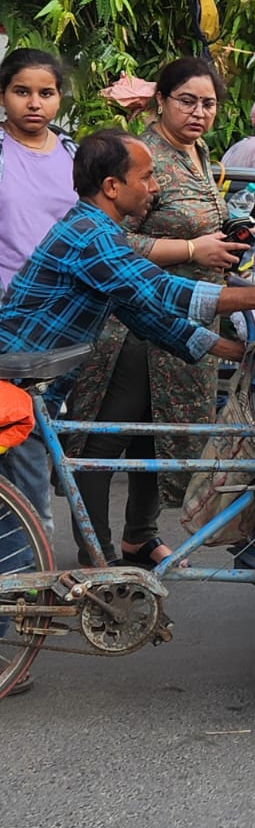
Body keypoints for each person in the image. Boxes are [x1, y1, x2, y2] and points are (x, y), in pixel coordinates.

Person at [0, 130, 255, 667]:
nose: (154, 187)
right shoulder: (91, 237)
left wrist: (230, 350)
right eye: (146, 178)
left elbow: (144, 313)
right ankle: (11, 639)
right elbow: (164, 291)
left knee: (33, 511)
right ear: (111, 186)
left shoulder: (99, 232)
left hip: (35, 382)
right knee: (26, 524)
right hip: (16, 387)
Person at [67, 58, 245, 565]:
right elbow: (112, 242)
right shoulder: (142, 158)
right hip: (136, 322)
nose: (199, 112)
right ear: (161, 100)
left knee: (158, 437)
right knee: (107, 438)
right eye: (187, 100)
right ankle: (95, 553)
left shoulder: (197, 153)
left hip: (191, 319)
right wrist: (192, 252)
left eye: (208, 103)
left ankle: (139, 538)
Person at [0, 48, 79, 539]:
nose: (35, 103)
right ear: (3, 95)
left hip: (62, 320)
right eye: (21, 91)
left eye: (46, 93)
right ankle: (32, 564)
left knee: (37, 438)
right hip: (7, 318)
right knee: (22, 438)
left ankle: (28, 560)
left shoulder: (74, 154)